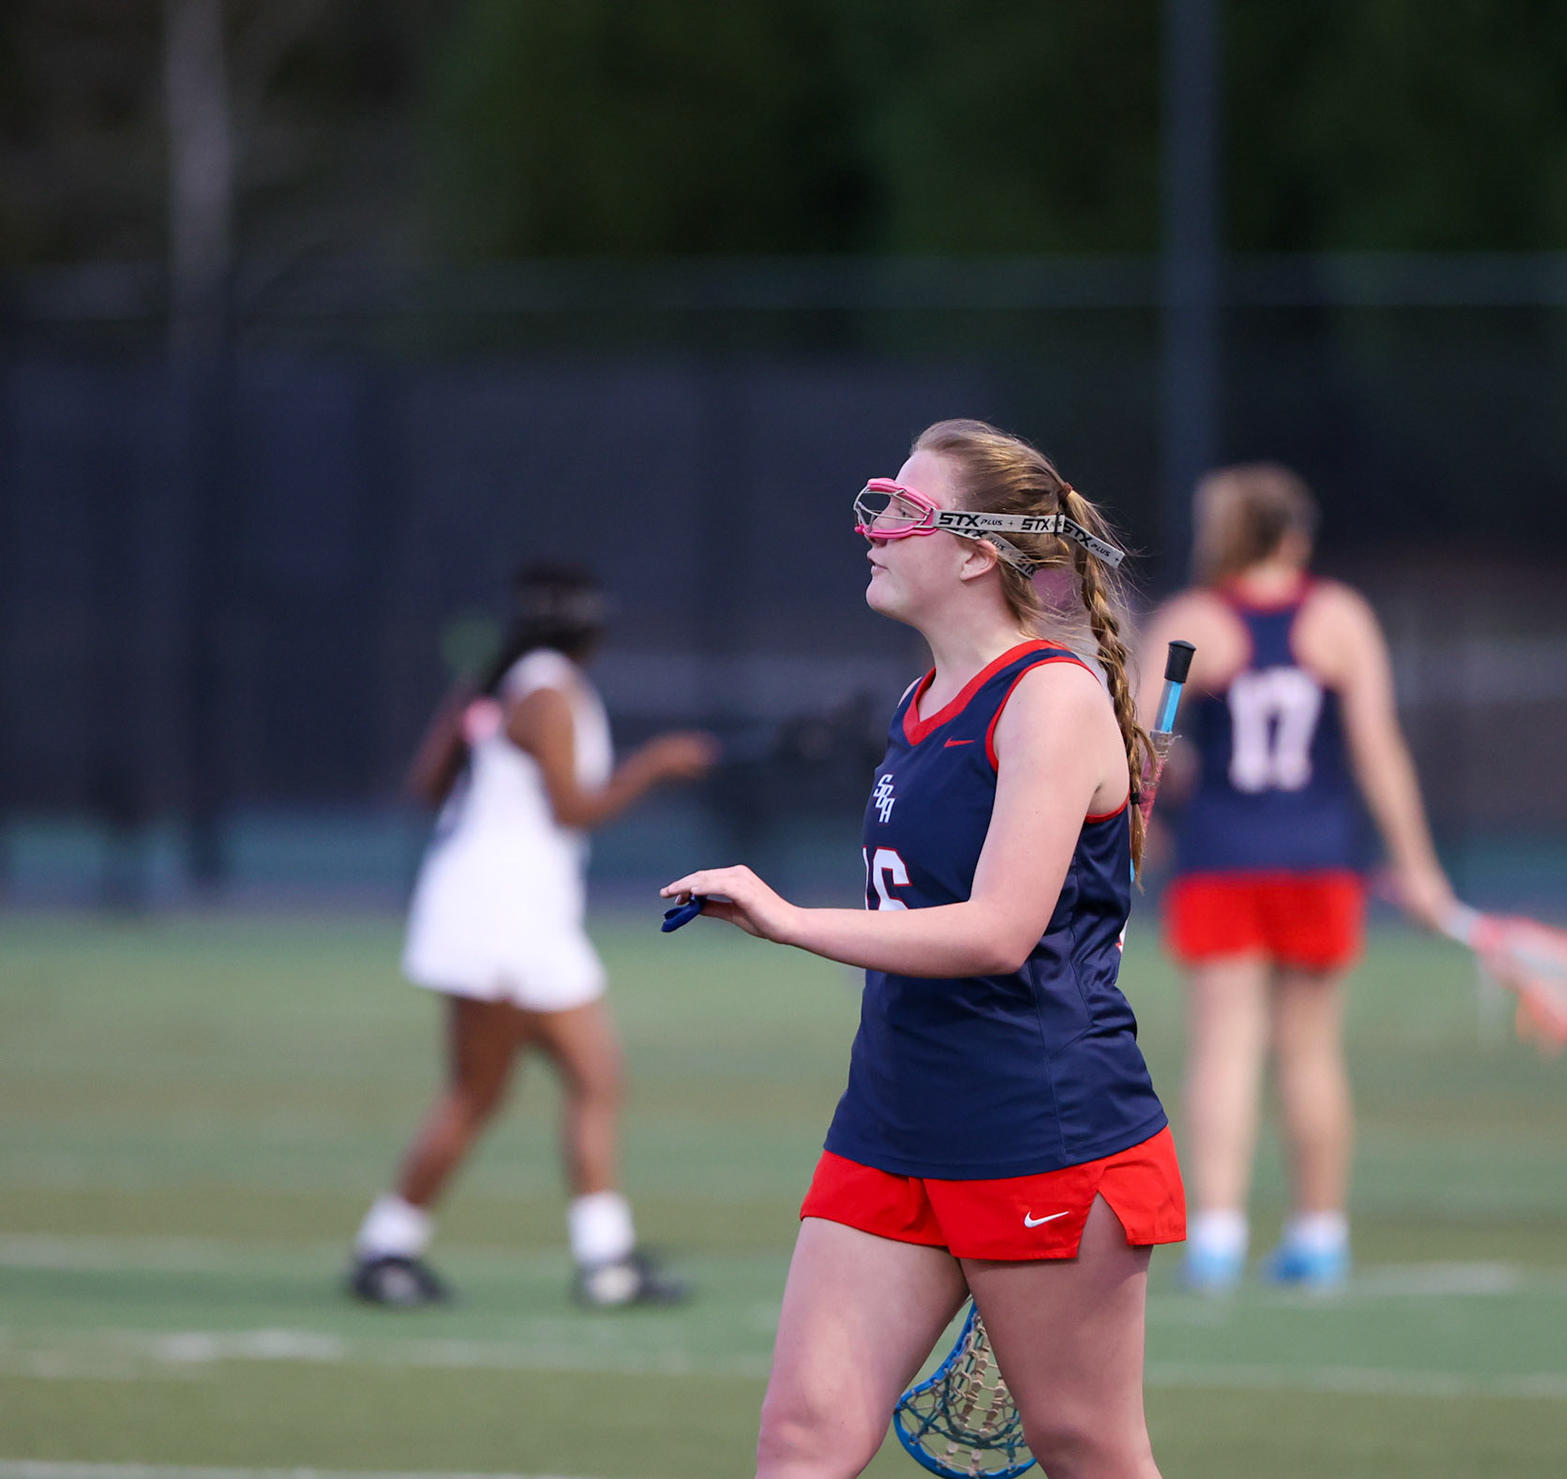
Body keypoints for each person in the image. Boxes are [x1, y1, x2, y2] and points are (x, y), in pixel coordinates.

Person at [661, 420, 1185, 1479]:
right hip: (893, 1121)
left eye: (899, 509)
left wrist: (793, 920)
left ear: (975, 549)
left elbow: (997, 934)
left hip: (1041, 1128)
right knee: (802, 1435)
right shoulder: (917, 706)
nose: (872, 530)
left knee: (1086, 1447)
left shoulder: (1052, 700)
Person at [348, 560, 716, 1307]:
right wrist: (653, 766)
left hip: (527, 916)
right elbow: (570, 810)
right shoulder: (547, 690)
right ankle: (385, 1250)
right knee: (477, 1093)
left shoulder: (494, 681)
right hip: (501, 917)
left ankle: (606, 1262)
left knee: (596, 1077)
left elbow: (427, 785)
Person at [1137, 464, 1455, 1293]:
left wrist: (1148, 820)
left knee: (1224, 1047)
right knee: (1311, 1051)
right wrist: (1419, 866)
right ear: (1295, 535)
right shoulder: (1340, 618)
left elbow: (1143, 742)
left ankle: (1215, 1236)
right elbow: (1379, 748)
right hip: (1319, 859)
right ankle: (1319, 1234)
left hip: (1221, 859)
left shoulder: (1194, 619)